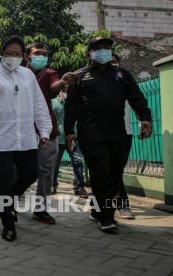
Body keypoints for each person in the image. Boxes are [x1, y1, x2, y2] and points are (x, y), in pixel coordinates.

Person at [0, 35, 52, 241]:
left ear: (23, 56)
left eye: (17, 54)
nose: (12, 57)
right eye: (9, 53)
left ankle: (9, 201)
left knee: (30, 173)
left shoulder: (28, 76)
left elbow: (39, 104)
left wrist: (45, 130)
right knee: (3, 180)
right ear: (2, 53)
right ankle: (7, 221)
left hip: (25, 137)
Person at [64, 37, 152, 232]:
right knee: (101, 174)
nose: (103, 51)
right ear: (89, 54)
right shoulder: (81, 77)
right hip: (91, 135)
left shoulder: (122, 74)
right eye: (98, 48)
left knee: (113, 175)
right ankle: (107, 218)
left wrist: (145, 118)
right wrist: (69, 131)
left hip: (118, 134)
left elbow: (137, 97)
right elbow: (71, 106)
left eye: (106, 48)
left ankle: (97, 211)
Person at [24, 42, 78, 224]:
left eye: (45, 54)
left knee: (46, 170)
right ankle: (11, 203)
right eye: (37, 53)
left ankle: (41, 209)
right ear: (26, 56)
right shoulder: (18, 74)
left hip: (47, 129)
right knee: (20, 169)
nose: (42, 56)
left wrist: (63, 81)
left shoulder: (49, 73)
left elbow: (55, 86)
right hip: (21, 129)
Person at [51, 86, 88, 198]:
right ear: (60, 91)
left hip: (73, 138)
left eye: (69, 90)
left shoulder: (75, 103)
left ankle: (79, 187)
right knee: (55, 163)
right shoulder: (53, 103)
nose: (66, 93)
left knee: (77, 161)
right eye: (65, 90)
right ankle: (53, 184)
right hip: (58, 139)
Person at [111, 53, 135, 219]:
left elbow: (137, 102)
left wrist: (144, 120)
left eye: (114, 62)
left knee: (115, 171)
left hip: (124, 134)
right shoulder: (90, 81)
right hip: (98, 136)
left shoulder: (126, 82)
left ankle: (101, 206)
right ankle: (118, 205)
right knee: (104, 173)